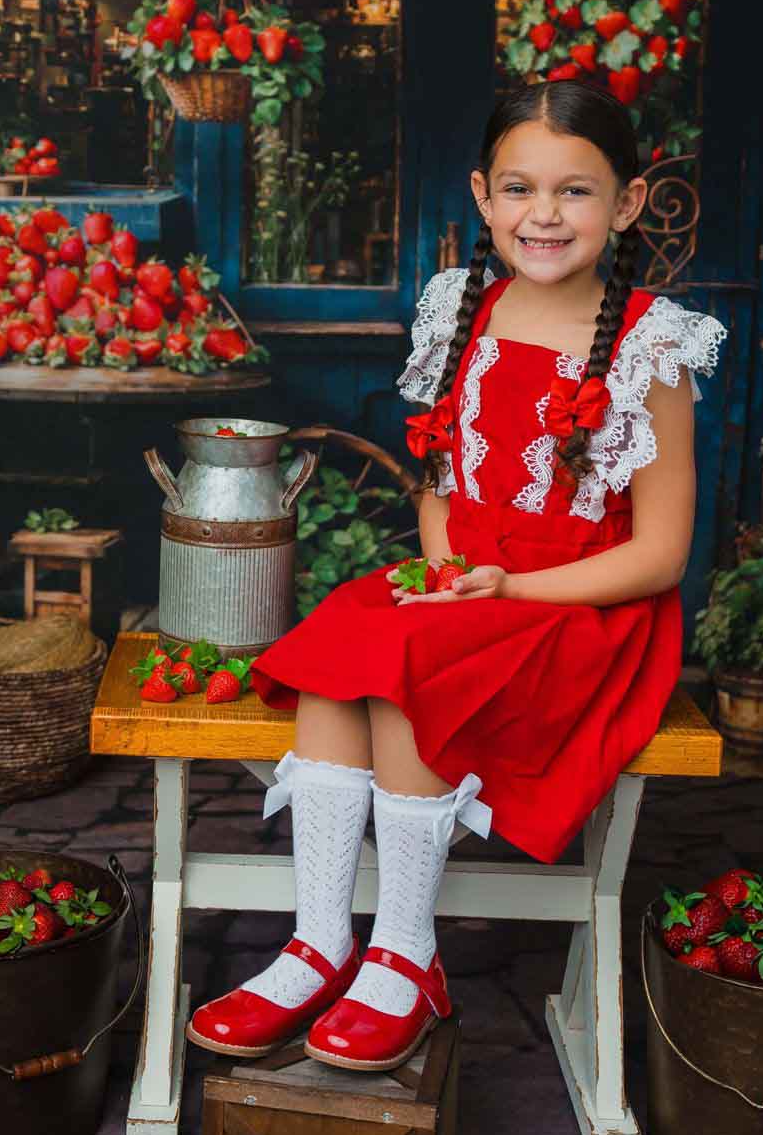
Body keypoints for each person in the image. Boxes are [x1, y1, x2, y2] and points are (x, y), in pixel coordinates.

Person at [187, 74, 726, 1072]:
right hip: (465, 579)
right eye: (518, 188)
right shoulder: (459, 305)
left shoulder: (654, 346)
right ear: (482, 196)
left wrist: (508, 589)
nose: (543, 214)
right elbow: (440, 478)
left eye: (574, 190)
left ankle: (404, 950)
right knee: (343, 644)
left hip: (580, 602)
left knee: (405, 664)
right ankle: (316, 940)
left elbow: (657, 555)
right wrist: (445, 562)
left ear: (628, 202)